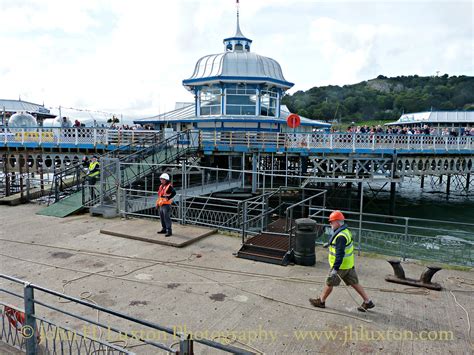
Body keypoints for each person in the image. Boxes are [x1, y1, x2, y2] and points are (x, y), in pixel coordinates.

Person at [309, 210, 375, 312]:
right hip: (348, 265)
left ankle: (321, 301)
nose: (330, 224)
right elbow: (342, 245)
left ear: (337, 222)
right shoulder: (345, 231)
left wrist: (335, 269)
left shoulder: (340, 237)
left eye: (331, 222)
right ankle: (368, 301)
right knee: (355, 283)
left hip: (340, 266)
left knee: (329, 283)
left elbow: (339, 254)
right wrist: (329, 244)